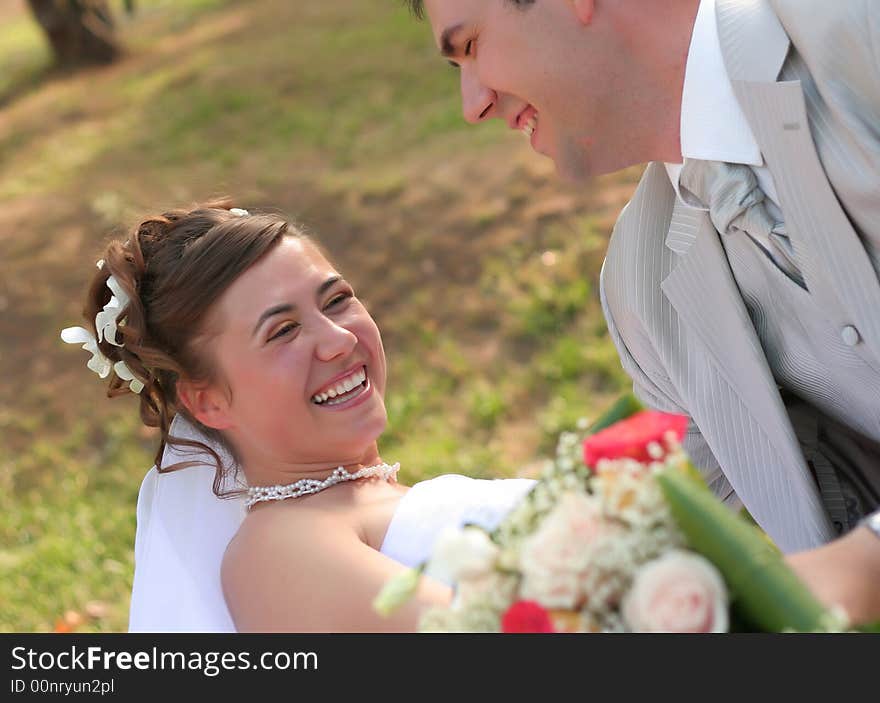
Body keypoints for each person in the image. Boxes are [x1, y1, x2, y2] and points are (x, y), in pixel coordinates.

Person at [407, 0, 880, 624]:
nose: (473, 105)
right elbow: (660, 534)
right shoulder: (642, 292)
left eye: (470, 47)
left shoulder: (858, 38)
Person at [61, 202, 536, 632]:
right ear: (208, 402)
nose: (339, 340)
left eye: (336, 300)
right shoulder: (277, 551)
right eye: (283, 331)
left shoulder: (368, 508)